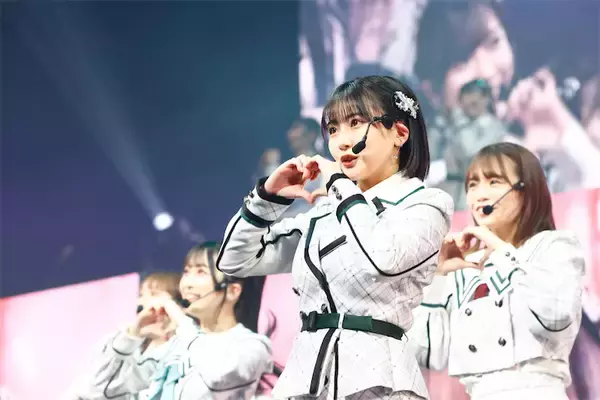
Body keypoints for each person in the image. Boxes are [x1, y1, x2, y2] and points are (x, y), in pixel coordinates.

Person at [217, 75, 454, 399]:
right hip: (306, 379)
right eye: (332, 129)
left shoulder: (425, 203)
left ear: (400, 133)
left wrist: (340, 186)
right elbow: (235, 259)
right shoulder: (325, 213)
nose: (341, 141)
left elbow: (381, 260)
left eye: (355, 123)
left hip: (378, 380)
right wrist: (267, 198)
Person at [408, 142, 585, 400]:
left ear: (526, 189)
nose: (480, 195)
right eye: (473, 185)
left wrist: (501, 251)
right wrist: (437, 276)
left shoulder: (554, 247)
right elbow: (428, 352)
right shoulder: (465, 266)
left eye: (494, 182)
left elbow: (555, 317)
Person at [72, 243, 273, 399]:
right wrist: (132, 335)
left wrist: (181, 320)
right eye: (186, 272)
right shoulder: (173, 349)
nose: (186, 284)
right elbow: (100, 390)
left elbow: (218, 377)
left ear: (232, 291)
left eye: (201, 272)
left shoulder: (251, 346)